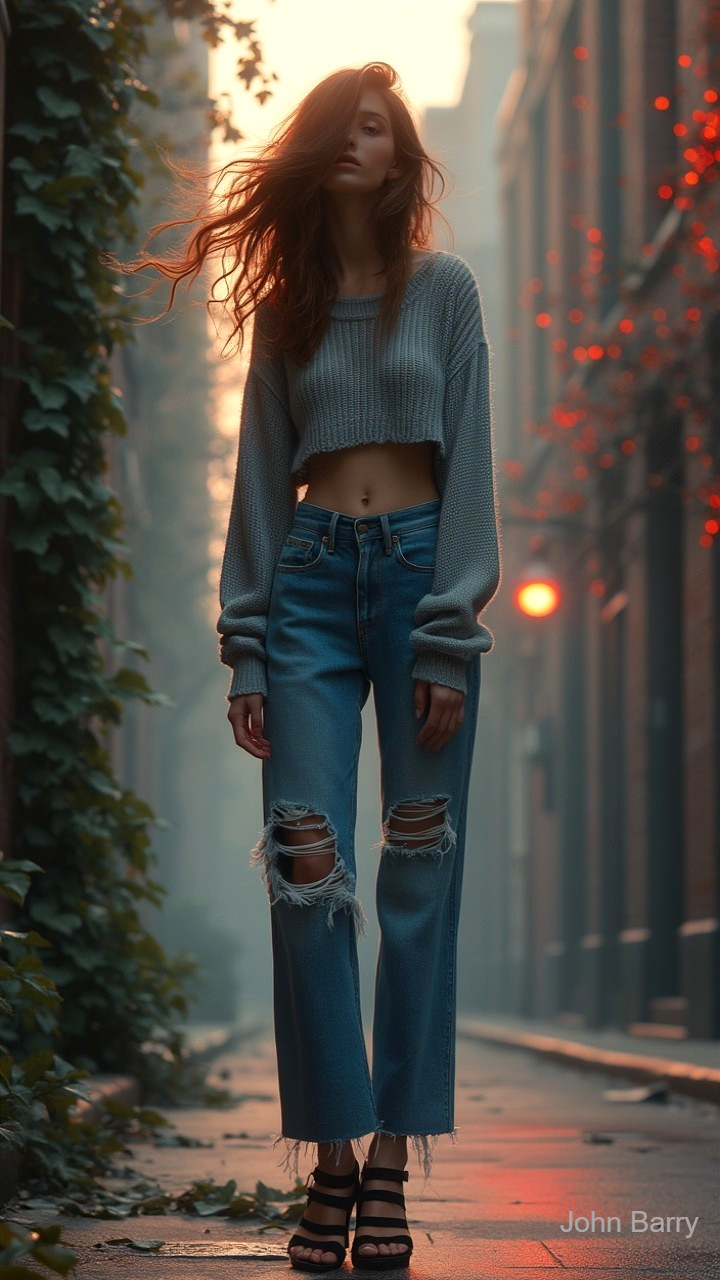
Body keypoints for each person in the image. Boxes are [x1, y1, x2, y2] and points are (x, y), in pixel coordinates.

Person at [107, 59, 501, 1275]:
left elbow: (473, 464)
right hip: (315, 589)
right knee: (303, 864)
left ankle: (388, 1166)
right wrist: (245, 646)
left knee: (419, 870)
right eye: (342, 123)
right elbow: (256, 491)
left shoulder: (445, 292)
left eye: (379, 127)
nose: (358, 141)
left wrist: (449, 628)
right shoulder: (284, 306)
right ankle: (333, 1154)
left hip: (424, 577)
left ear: (403, 157)